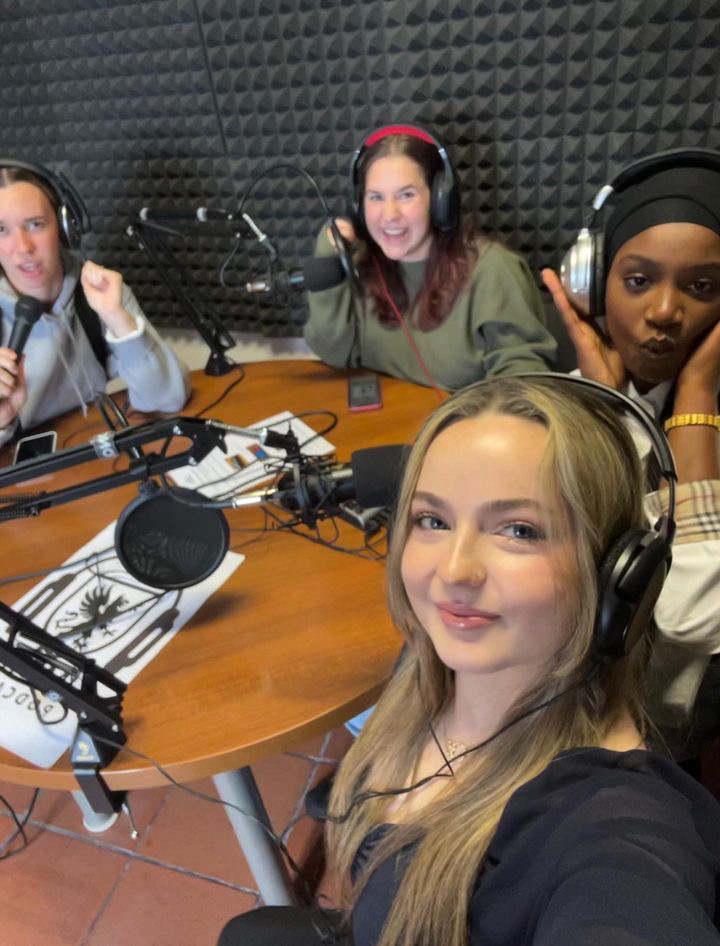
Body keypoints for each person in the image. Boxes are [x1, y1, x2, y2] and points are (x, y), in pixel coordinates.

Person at [217, 375, 720, 946]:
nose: (453, 572)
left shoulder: (612, 824)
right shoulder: (437, 659)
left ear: (618, 579)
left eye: (519, 530)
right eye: (433, 520)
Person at [541, 148, 720, 737]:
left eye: (702, 286)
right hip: (563, 698)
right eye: (639, 280)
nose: (666, 311)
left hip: (663, 728)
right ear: (592, 285)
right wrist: (610, 407)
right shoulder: (571, 404)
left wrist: (696, 397)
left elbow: (690, 620)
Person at [303, 124, 557, 391]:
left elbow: (525, 379)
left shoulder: (492, 270)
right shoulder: (363, 265)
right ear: (358, 205)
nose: (389, 215)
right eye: (376, 197)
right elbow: (335, 353)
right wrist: (328, 258)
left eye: (406, 195)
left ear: (439, 200)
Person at [0, 160, 190, 447]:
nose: (23, 248)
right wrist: (3, 421)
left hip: (95, 455)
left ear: (64, 228)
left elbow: (168, 399)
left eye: (35, 224)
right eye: (2, 230)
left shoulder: (98, 293)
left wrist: (117, 318)